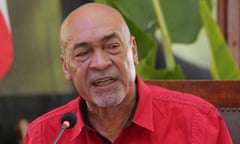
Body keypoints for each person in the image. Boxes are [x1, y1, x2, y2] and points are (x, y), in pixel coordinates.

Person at [24, 2, 233, 144]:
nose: (100, 63)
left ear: (133, 51)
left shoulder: (197, 122)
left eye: (112, 46)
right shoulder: (45, 135)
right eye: (83, 53)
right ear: (65, 66)